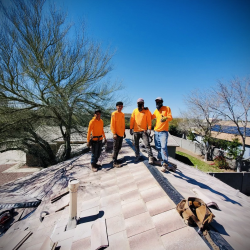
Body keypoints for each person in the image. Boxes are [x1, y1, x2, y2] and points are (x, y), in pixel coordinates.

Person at [151, 97, 175, 172]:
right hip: (156, 131)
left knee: (163, 147)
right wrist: (146, 111)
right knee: (158, 147)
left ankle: (165, 163)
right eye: (156, 102)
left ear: (162, 102)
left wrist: (165, 118)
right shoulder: (156, 110)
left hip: (163, 132)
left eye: (159, 101)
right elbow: (151, 117)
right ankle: (160, 160)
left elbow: (170, 117)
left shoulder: (167, 108)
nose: (158, 103)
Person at [130, 98, 154, 164]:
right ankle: (137, 156)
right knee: (136, 144)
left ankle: (150, 157)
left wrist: (149, 129)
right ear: (137, 104)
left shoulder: (146, 111)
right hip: (136, 131)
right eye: (139, 103)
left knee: (147, 144)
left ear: (143, 103)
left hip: (144, 131)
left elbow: (149, 120)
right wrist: (131, 128)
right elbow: (132, 120)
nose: (140, 104)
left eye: (141, 103)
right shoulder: (134, 111)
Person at [110, 101, 126, 168]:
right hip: (116, 134)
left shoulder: (122, 114)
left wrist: (124, 132)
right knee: (115, 148)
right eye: (119, 106)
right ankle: (114, 162)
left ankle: (115, 159)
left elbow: (122, 124)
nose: (120, 107)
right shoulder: (114, 113)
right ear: (116, 107)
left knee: (119, 147)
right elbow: (112, 124)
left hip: (121, 133)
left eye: (121, 106)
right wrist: (114, 133)